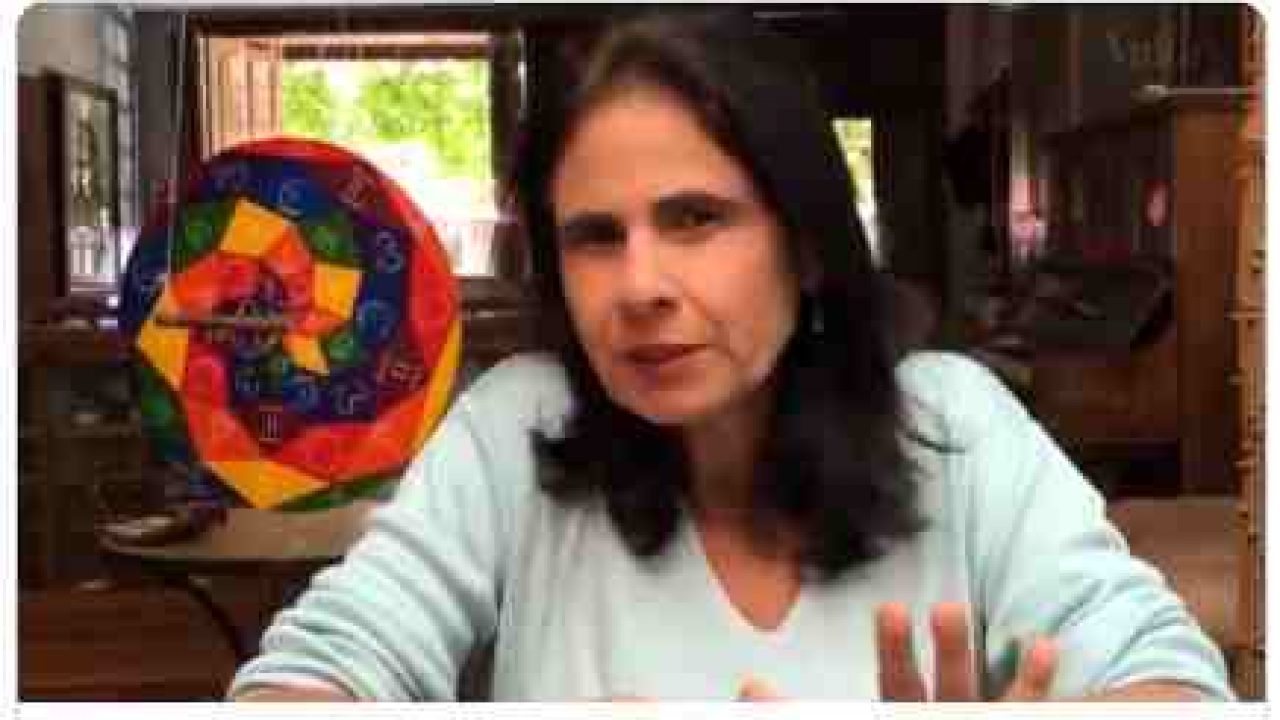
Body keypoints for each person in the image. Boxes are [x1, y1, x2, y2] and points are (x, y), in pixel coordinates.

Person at [228, 11, 1233, 701]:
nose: (638, 286)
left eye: (696, 218)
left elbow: (1164, 670)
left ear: (805, 243)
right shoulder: (513, 431)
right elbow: (332, 659)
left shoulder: (953, 424)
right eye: (594, 236)